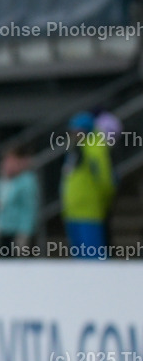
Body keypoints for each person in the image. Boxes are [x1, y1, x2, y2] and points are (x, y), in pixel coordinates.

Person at [61, 111, 115, 259]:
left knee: (93, 257)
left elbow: (105, 181)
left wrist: (102, 203)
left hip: (89, 211)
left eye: (77, 131)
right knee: (80, 260)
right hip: (73, 212)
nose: (73, 135)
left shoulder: (94, 149)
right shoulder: (76, 150)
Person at [0, 144, 39, 253]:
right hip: (3, 230)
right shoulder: (4, 181)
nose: (7, 164)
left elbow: (29, 208)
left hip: (17, 232)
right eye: (6, 160)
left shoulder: (27, 181)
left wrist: (25, 232)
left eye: (11, 160)